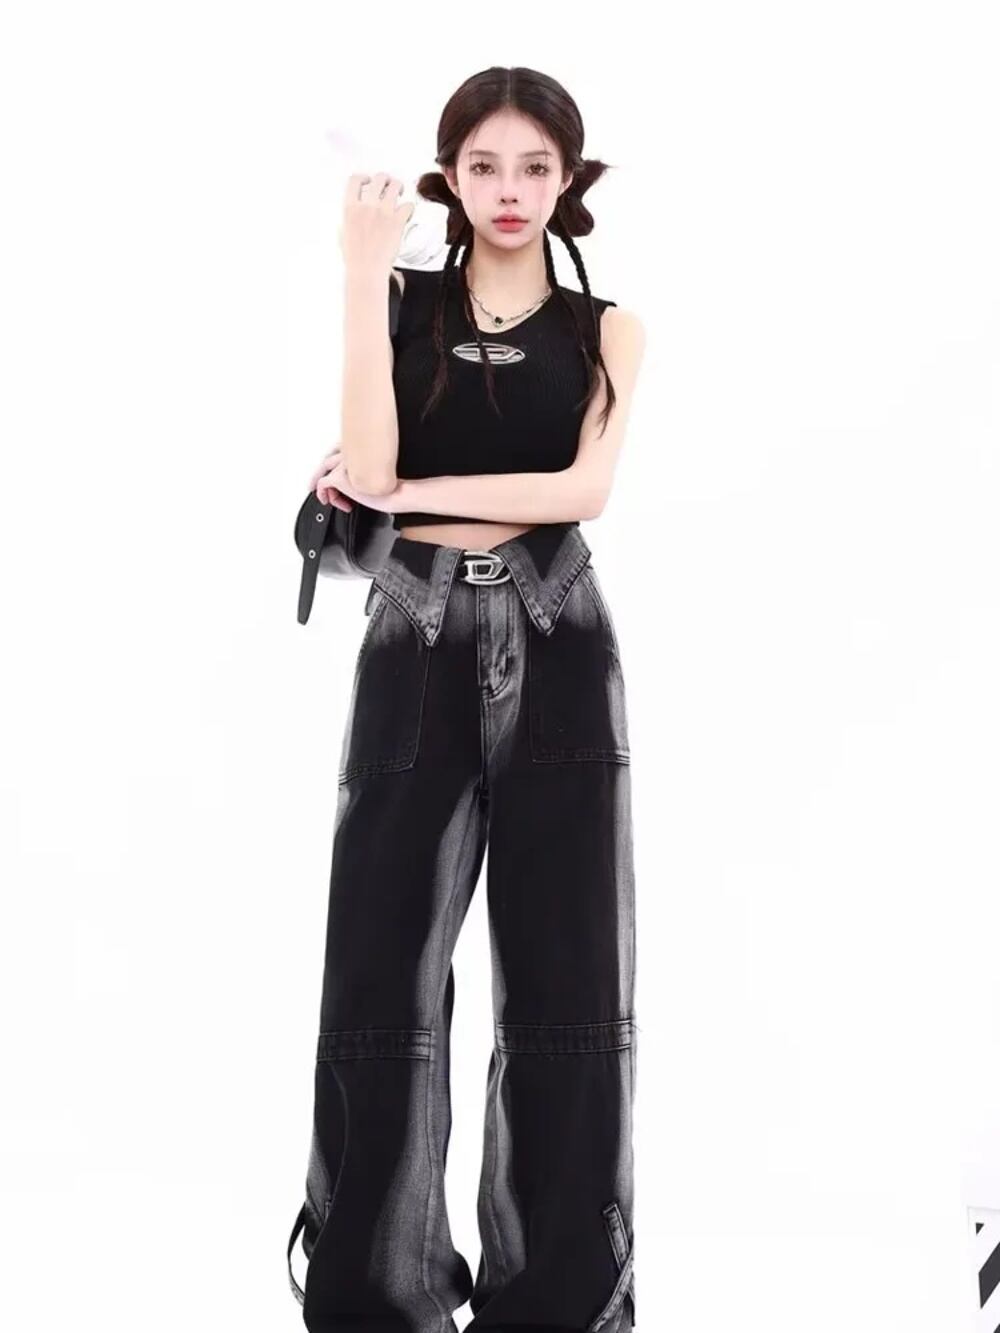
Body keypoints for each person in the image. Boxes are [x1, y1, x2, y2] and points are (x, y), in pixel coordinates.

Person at [287, 64, 647, 1333]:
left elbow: (582, 495)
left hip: (560, 633)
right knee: (379, 973)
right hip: (416, 633)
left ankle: (559, 1302)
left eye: (535, 167)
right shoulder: (400, 302)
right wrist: (357, 269)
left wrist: (413, 501)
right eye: (484, 166)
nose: (509, 190)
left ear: (568, 178)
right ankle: (373, 1298)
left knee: (568, 985)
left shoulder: (609, 330)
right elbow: (371, 461)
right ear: (449, 176)